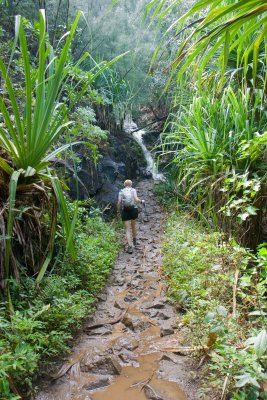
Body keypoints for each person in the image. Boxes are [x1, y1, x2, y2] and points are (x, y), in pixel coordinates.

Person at [117, 179, 144, 254]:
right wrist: (142, 201)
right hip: (133, 210)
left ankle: (130, 246)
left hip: (125, 211)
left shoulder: (121, 191)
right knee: (133, 226)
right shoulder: (133, 190)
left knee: (127, 229)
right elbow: (136, 199)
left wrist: (118, 211)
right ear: (131, 184)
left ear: (124, 185)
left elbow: (119, 202)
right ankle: (135, 241)